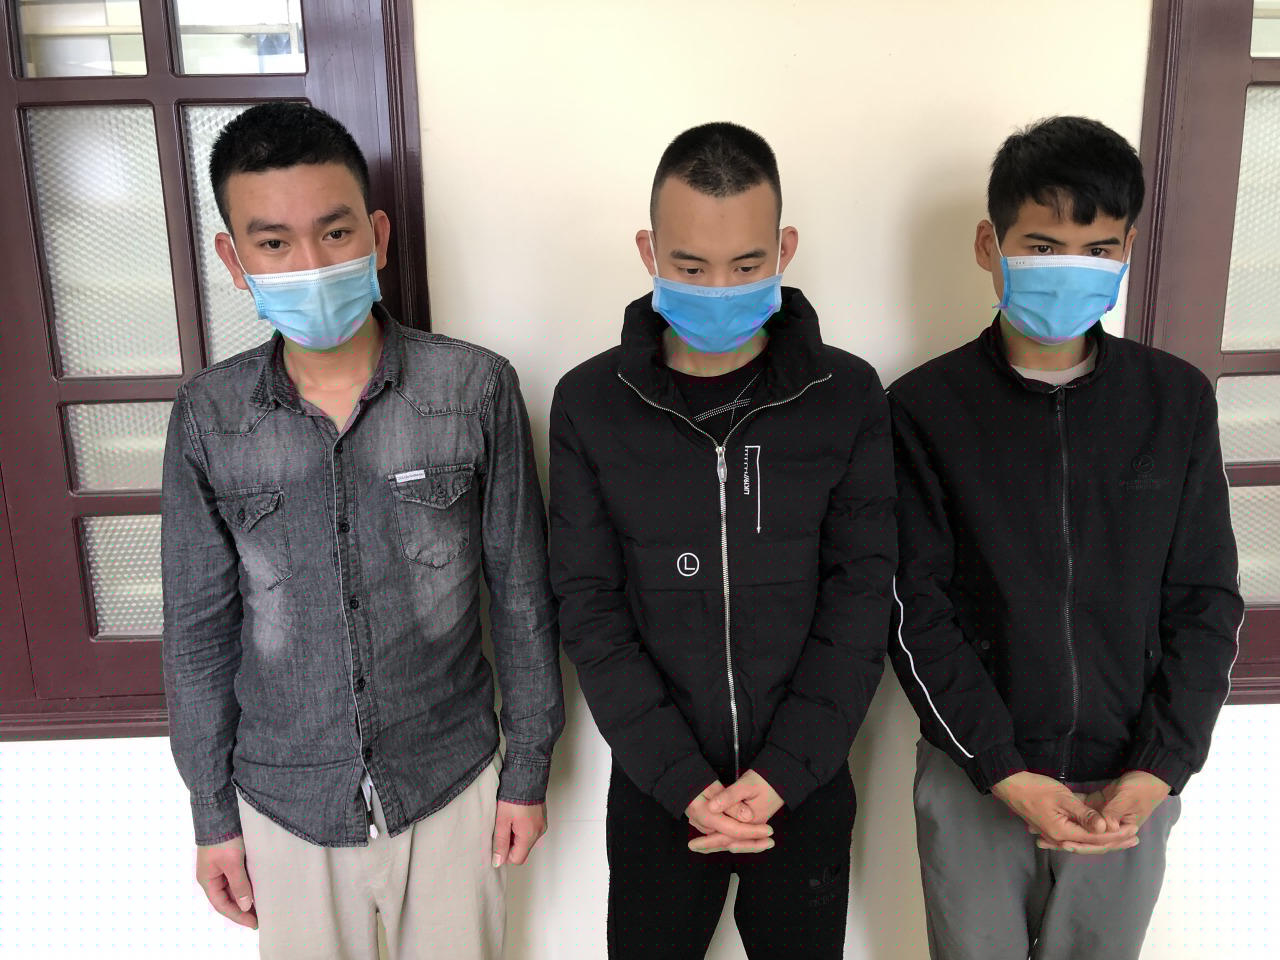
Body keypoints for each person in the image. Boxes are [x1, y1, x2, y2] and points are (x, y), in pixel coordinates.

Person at [161, 101, 564, 960]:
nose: (311, 265)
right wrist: (211, 818)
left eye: (335, 232)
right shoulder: (207, 416)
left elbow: (523, 599)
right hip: (282, 803)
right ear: (235, 261)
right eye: (274, 243)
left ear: (377, 236)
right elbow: (197, 633)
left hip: (452, 783)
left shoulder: (475, 389)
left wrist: (527, 771)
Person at [888, 115, 1243, 960]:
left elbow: (1205, 598)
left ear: (1127, 251)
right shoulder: (924, 409)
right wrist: (1002, 768)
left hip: (1130, 782)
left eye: (1097, 249)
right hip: (980, 777)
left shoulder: (1175, 401)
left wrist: (1160, 766)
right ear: (991, 245)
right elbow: (912, 610)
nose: (1070, 269)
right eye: (1044, 247)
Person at [548, 122, 896, 959]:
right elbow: (589, 610)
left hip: (804, 785)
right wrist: (684, 783)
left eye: (745, 266)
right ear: (649, 252)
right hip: (658, 788)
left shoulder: (847, 395)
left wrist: (781, 775)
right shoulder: (590, 404)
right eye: (691, 267)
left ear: (784, 249)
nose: (719, 289)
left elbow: (861, 598)